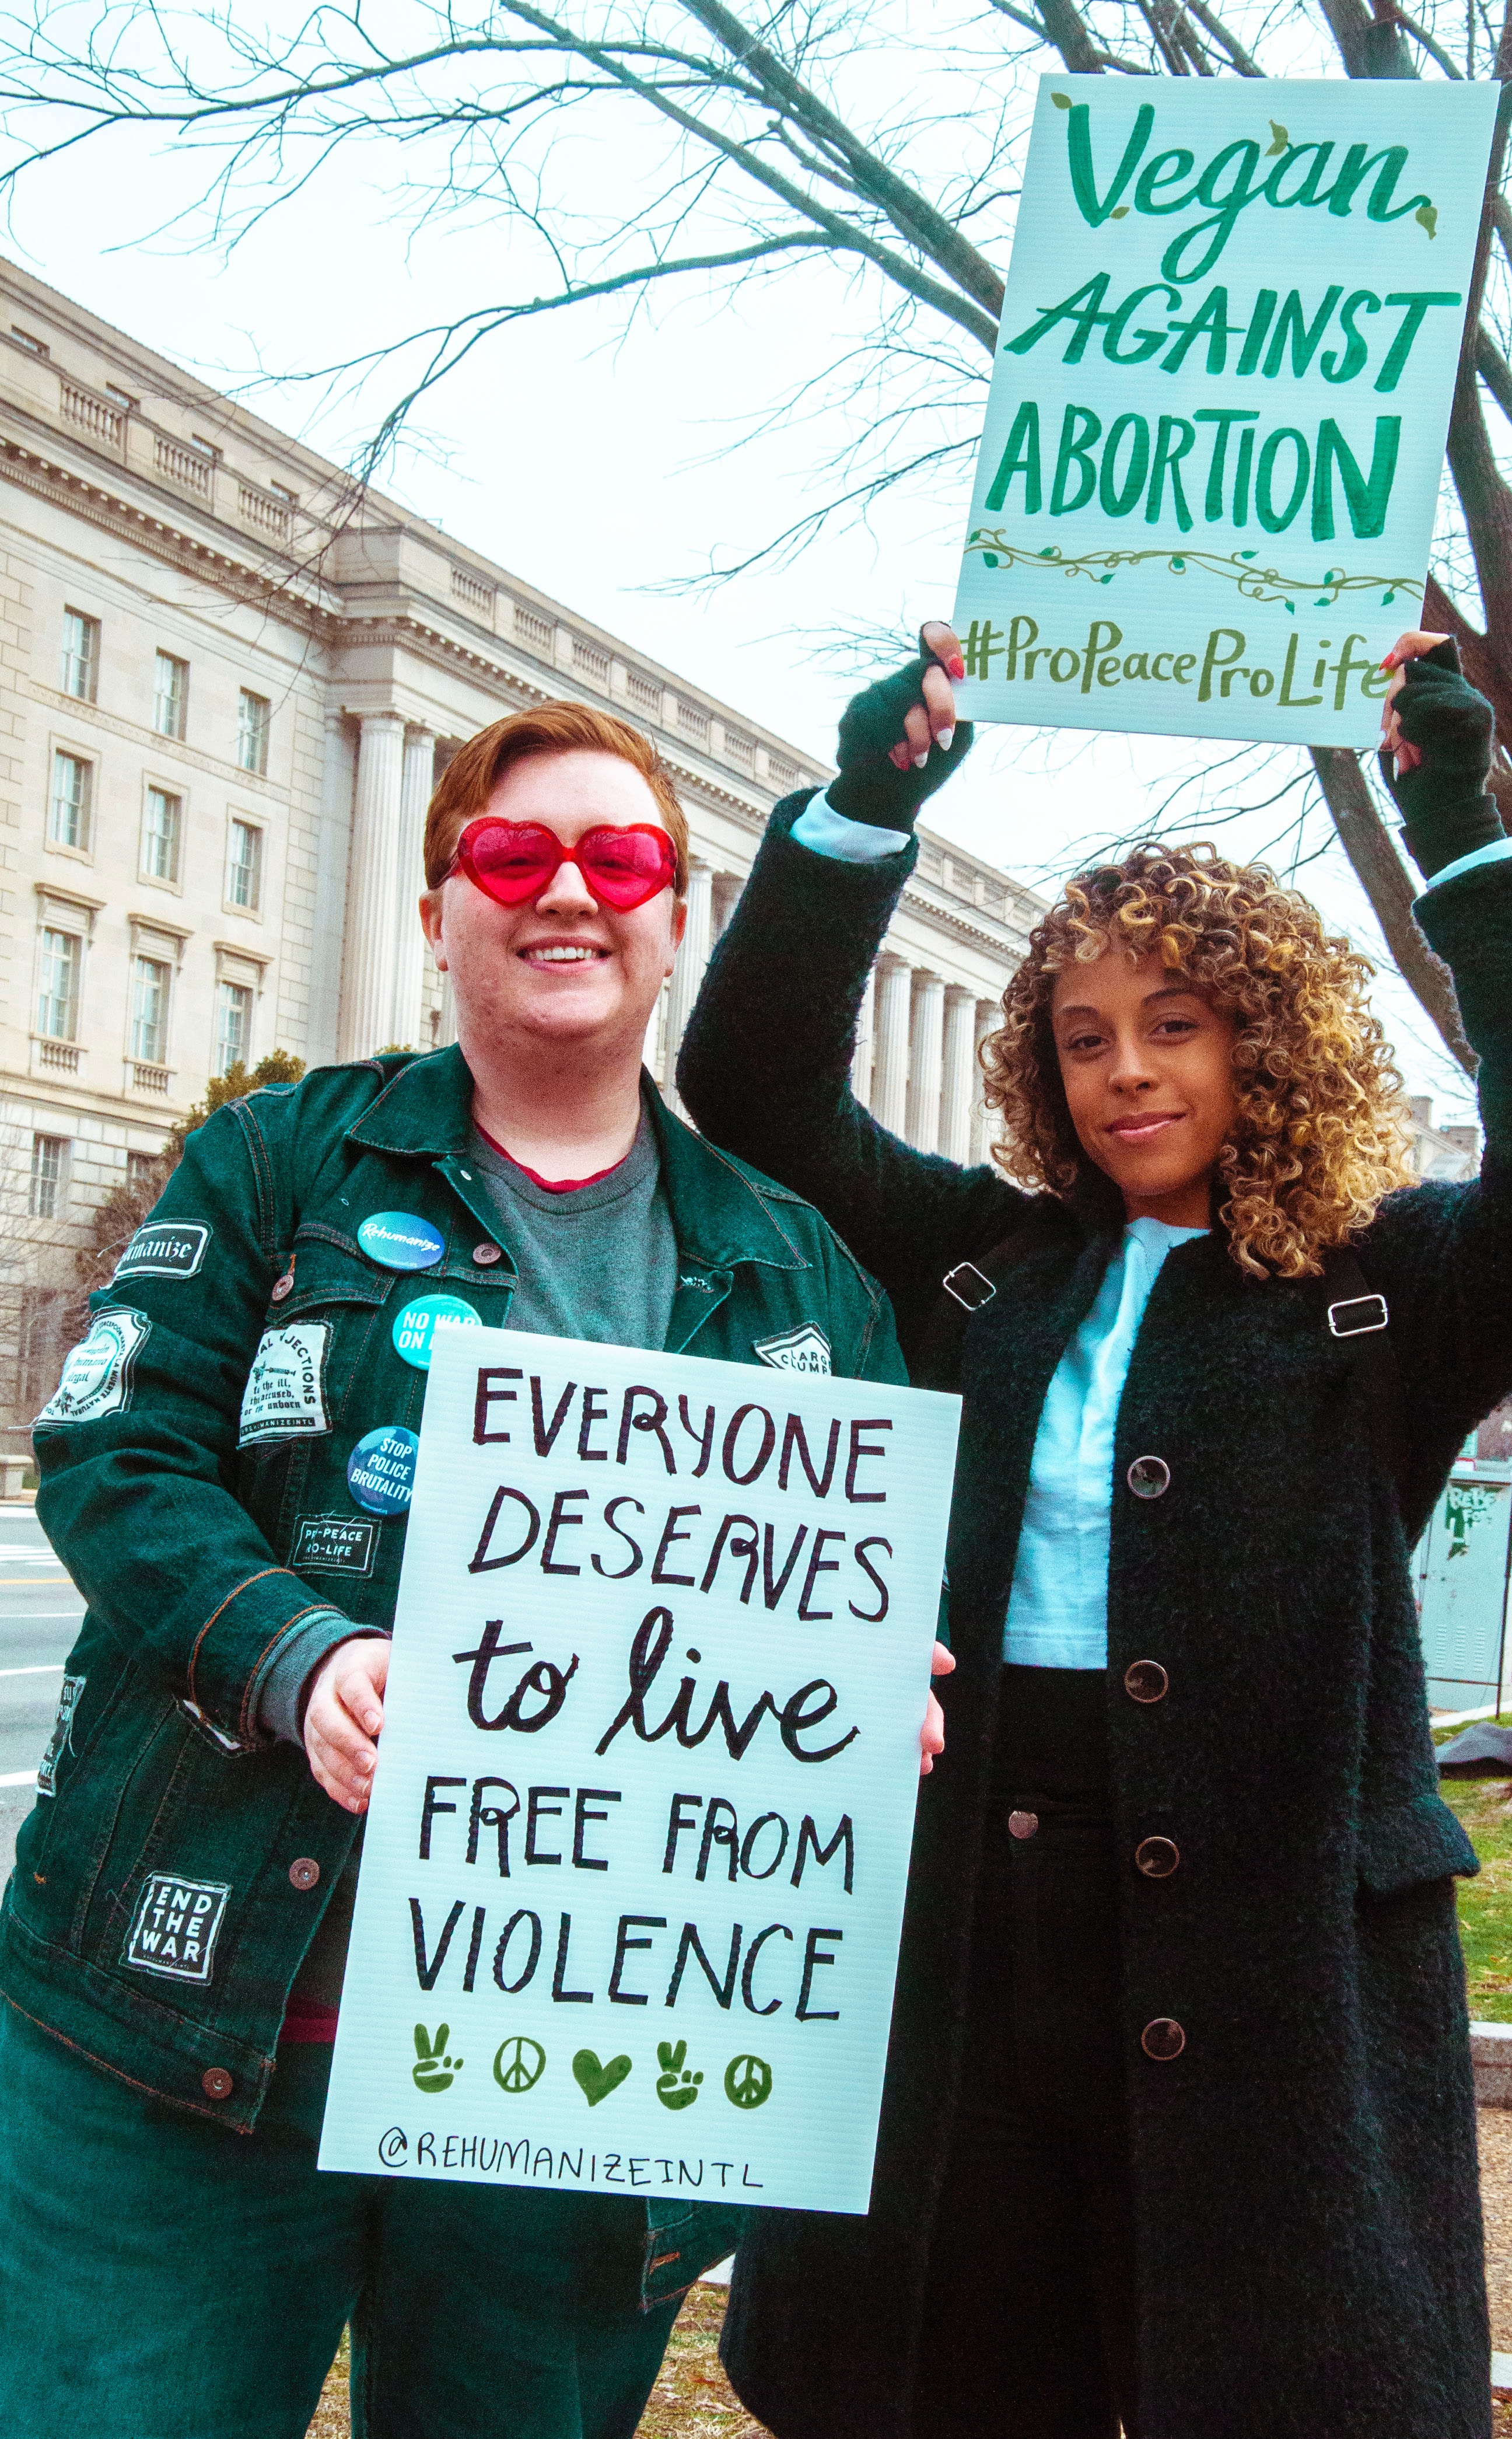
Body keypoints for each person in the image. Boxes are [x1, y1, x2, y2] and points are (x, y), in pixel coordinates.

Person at [677, 624, 1512, 2439]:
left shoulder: (1378, 1291)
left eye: (1174, 1026)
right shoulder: (981, 1260)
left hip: (1273, 1947)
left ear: (1258, 1038)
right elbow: (764, 1094)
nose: (1126, 1072)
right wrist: (863, 818)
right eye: (1087, 1034)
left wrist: (1468, 839)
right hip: (975, 1906)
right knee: (957, 2378)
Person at [0, 698, 925, 2439]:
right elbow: (112, 1443)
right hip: (174, 2046)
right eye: (513, 854)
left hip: (573, 2105)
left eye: (619, 858)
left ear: (672, 921)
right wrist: (295, 1652)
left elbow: (869, 1600)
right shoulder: (280, 1161)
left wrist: (878, 1693)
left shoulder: (795, 1268)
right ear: (439, 911)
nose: (567, 890)